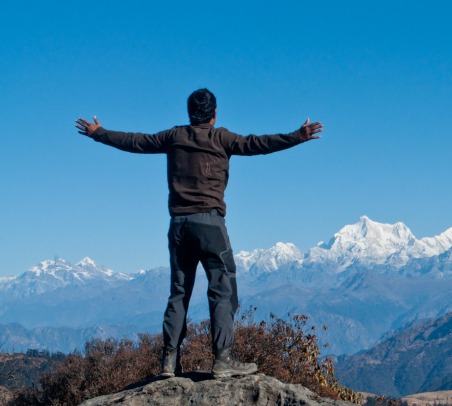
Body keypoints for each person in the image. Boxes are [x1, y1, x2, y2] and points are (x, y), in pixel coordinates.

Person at [76, 88, 323, 378]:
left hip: (178, 226)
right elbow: (258, 144)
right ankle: (222, 359)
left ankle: (169, 361)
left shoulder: (174, 137)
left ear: (189, 112)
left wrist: (99, 133)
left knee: (179, 292)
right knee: (222, 288)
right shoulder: (222, 138)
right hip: (210, 226)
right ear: (215, 114)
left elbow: (136, 142)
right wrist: (298, 136)